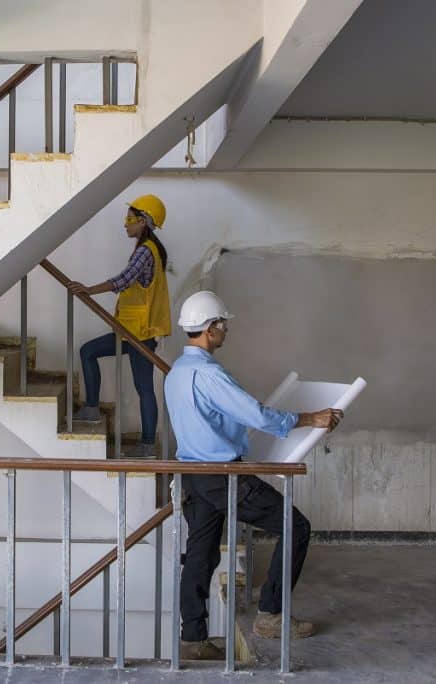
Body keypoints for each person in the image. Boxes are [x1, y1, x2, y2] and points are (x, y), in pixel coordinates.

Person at [164, 290, 343, 660]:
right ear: (210, 329)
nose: (226, 330)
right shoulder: (208, 374)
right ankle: (271, 617)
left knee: (200, 554)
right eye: (222, 324)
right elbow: (258, 415)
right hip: (222, 474)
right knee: (295, 526)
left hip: (192, 475)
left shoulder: (177, 372)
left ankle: (193, 639)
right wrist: (312, 418)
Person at [68, 194, 171, 458]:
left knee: (144, 388)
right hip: (128, 332)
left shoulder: (147, 251)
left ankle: (147, 445)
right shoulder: (145, 249)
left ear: (144, 221)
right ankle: (91, 408)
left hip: (139, 334)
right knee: (88, 351)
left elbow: (124, 280)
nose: (125, 224)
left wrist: (89, 290)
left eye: (130, 219)